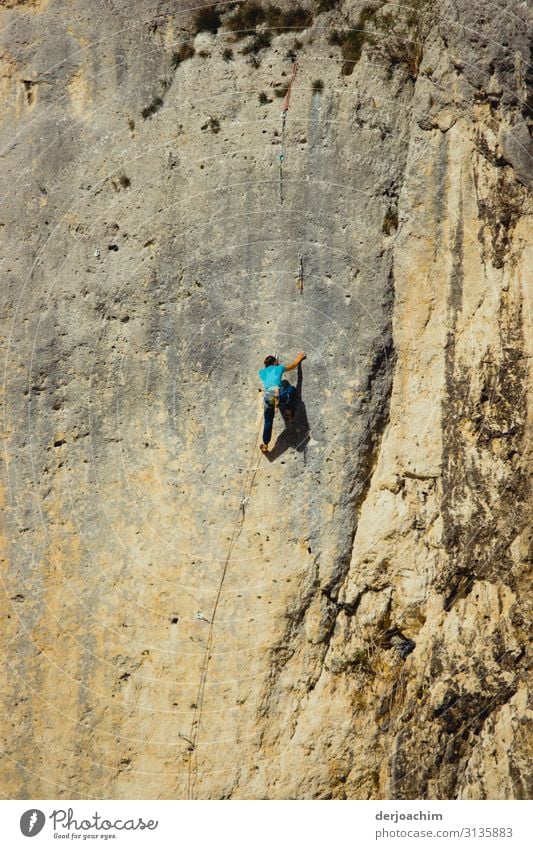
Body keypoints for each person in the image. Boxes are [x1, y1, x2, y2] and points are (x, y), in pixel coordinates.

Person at [258, 351, 306, 452]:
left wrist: (274, 365)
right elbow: (293, 365)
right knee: (291, 390)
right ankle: (289, 411)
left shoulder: (261, 372)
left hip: (268, 396)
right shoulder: (279, 368)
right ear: (275, 362)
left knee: (268, 421)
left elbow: (269, 373)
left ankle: (265, 445)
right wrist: (299, 357)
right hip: (278, 394)